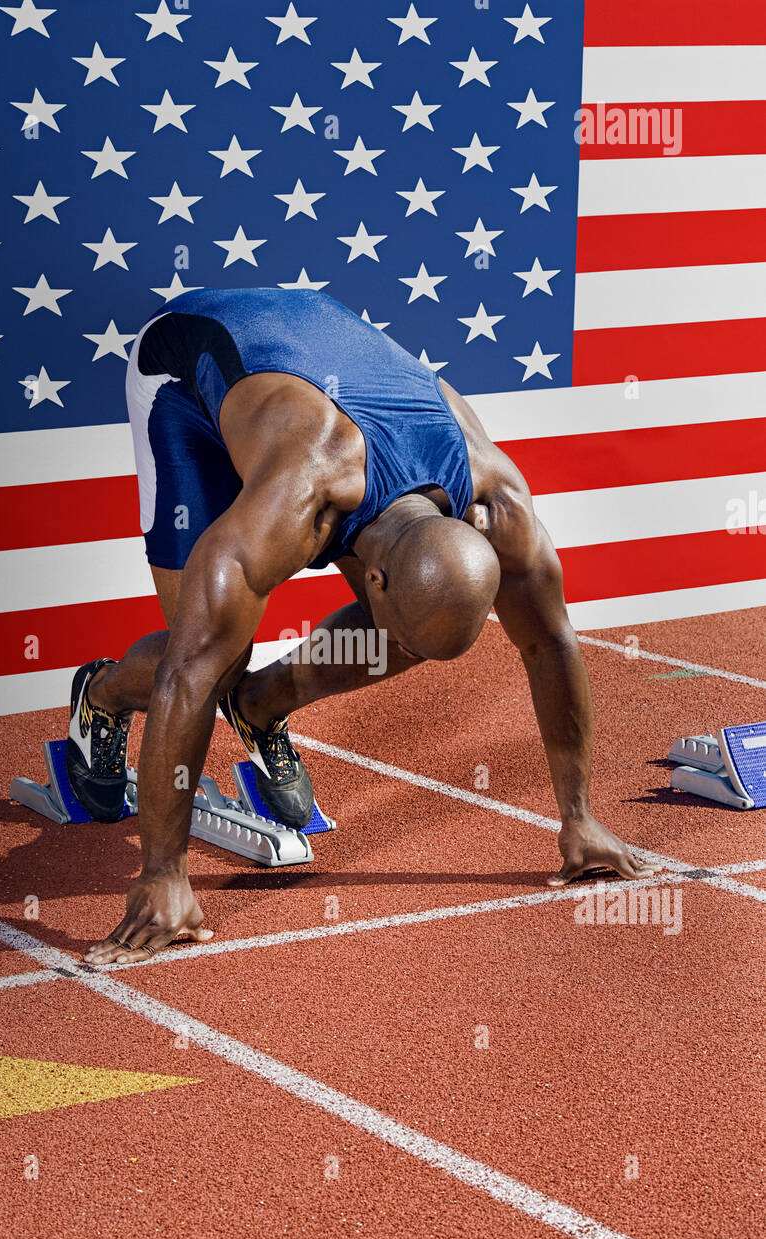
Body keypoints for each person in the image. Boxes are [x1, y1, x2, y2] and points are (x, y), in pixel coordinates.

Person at [70, 287, 648, 966]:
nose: (397, 656)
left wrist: (578, 815)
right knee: (216, 656)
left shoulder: (495, 501)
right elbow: (186, 674)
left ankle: (259, 708)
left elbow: (549, 642)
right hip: (183, 371)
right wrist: (163, 874)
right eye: (395, 634)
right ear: (371, 579)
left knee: (405, 635)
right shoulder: (293, 504)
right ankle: (102, 695)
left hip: (320, 358)